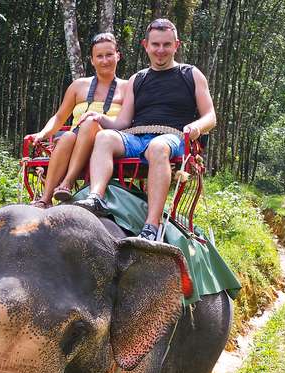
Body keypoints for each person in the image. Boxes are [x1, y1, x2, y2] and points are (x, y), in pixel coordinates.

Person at [74, 18, 216, 240]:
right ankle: (96, 197)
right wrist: (99, 118)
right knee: (105, 138)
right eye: (155, 45)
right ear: (145, 45)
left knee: (158, 146)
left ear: (176, 45)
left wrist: (196, 126)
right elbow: (122, 122)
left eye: (166, 45)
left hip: (173, 137)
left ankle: (152, 225)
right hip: (136, 137)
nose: (160, 50)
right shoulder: (137, 79)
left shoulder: (191, 74)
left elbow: (210, 116)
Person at [26, 33, 127, 209]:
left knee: (89, 122)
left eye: (109, 55)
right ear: (92, 60)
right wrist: (42, 134)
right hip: (75, 140)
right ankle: (45, 198)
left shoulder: (128, 87)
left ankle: (68, 181)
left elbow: (129, 119)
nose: (105, 60)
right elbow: (59, 117)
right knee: (66, 137)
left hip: (107, 142)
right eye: (99, 56)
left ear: (118, 55)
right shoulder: (78, 85)